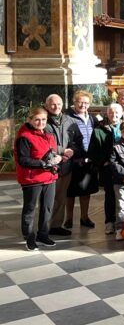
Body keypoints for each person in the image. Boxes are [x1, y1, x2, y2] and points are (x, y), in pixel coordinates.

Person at [16, 107, 60, 250]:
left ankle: (43, 234)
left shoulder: (48, 134)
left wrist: (57, 158)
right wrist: (43, 163)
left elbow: (51, 152)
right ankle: (29, 238)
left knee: (47, 208)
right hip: (32, 179)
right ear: (30, 120)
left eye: (43, 119)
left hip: (49, 177)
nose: (41, 122)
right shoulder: (24, 137)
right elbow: (23, 160)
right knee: (30, 209)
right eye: (37, 120)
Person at [44, 94, 80, 236]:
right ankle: (44, 226)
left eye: (59, 104)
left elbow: (77, 141)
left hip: (65, 166)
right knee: (47, 199)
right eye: (53, 104)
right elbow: (42, 144)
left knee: (60, 197)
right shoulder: (42, 121)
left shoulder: (70, 121)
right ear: (46, 106)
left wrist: (71, 151)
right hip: (49, 167)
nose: (56, 107)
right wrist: (62, 151)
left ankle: (56, 225)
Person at [66, 90, 100, 232]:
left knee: (86, 190)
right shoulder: (68, 117)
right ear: (74, 102)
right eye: (80, 102)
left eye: (86, 103)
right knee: (70, 192)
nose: (83, 105)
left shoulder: (92, 119)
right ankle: (68, 218)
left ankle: (84, 217)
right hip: (73, 161)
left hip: (89, 161)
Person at [90, 103, 124, 235]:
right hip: (107, 168)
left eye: (117, 112)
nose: (114, 115)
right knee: (110, 195)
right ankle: (109, 222)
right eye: (111, 112)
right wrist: (102, 163)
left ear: (121, 114)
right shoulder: (99, 130)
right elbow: (93, 151)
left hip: (123, 168)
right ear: (107, 114)